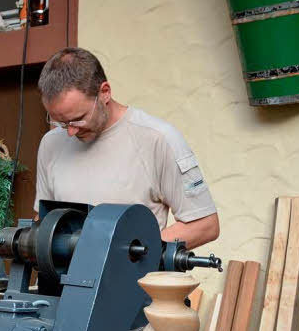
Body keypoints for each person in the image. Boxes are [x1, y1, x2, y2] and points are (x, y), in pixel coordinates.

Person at [35, 47, 219, 248]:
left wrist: (127, 255)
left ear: (104, 92)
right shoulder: (50, 144)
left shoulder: (157, 139)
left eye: (78, 119)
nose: (70, 132)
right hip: (65, 279)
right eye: (61, 122)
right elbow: (43, 222)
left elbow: (204, 225)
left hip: (135, 278)